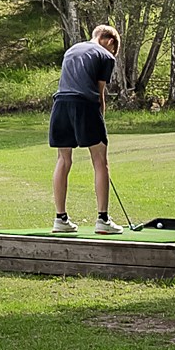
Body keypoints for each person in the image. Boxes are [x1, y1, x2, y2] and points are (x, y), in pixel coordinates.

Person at [48, 23, 123, 234]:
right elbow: (100, 93)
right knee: (100, 161)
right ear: (109, 41)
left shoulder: (71, 50)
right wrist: (101, 119)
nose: (113, 53)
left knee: (63, 160)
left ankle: (60, 219)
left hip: (60, 104)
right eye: (113, 48)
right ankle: (103, 219)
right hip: (84, 105)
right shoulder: (106, 56)